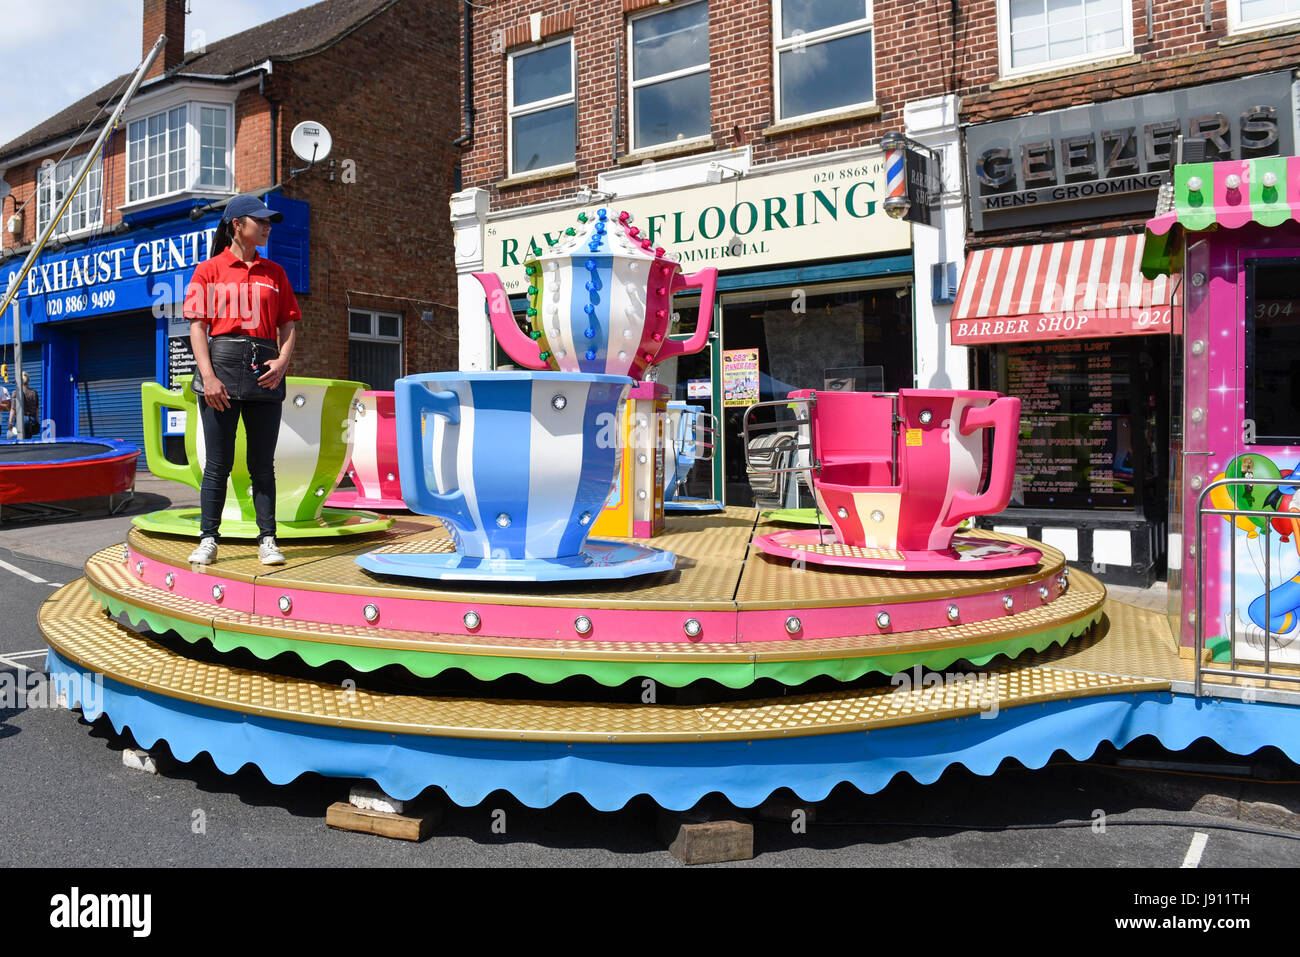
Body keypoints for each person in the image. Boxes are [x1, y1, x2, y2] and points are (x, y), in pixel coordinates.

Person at [182, 194, 300, 566]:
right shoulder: (208, 270)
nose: (267, 227)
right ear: (237, 225)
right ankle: (208, 538)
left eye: (269, 222)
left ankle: (267, 538)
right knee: (218, 462)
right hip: (221, 367)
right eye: (260, 221)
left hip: (265, 370)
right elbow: (198, 326)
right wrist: (208, 376)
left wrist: (282, 361)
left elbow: (288, 324)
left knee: (262, 463)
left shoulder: (275, 273)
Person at [6, 371, 39, 439]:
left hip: (20, 420)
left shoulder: (15, 392)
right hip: (31, 420)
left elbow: (13, 409)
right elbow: (36, 409)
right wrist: (37, 422)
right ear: (28, 381)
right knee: (28, 439)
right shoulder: (34, 393)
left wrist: (10, 423)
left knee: (20, 440)